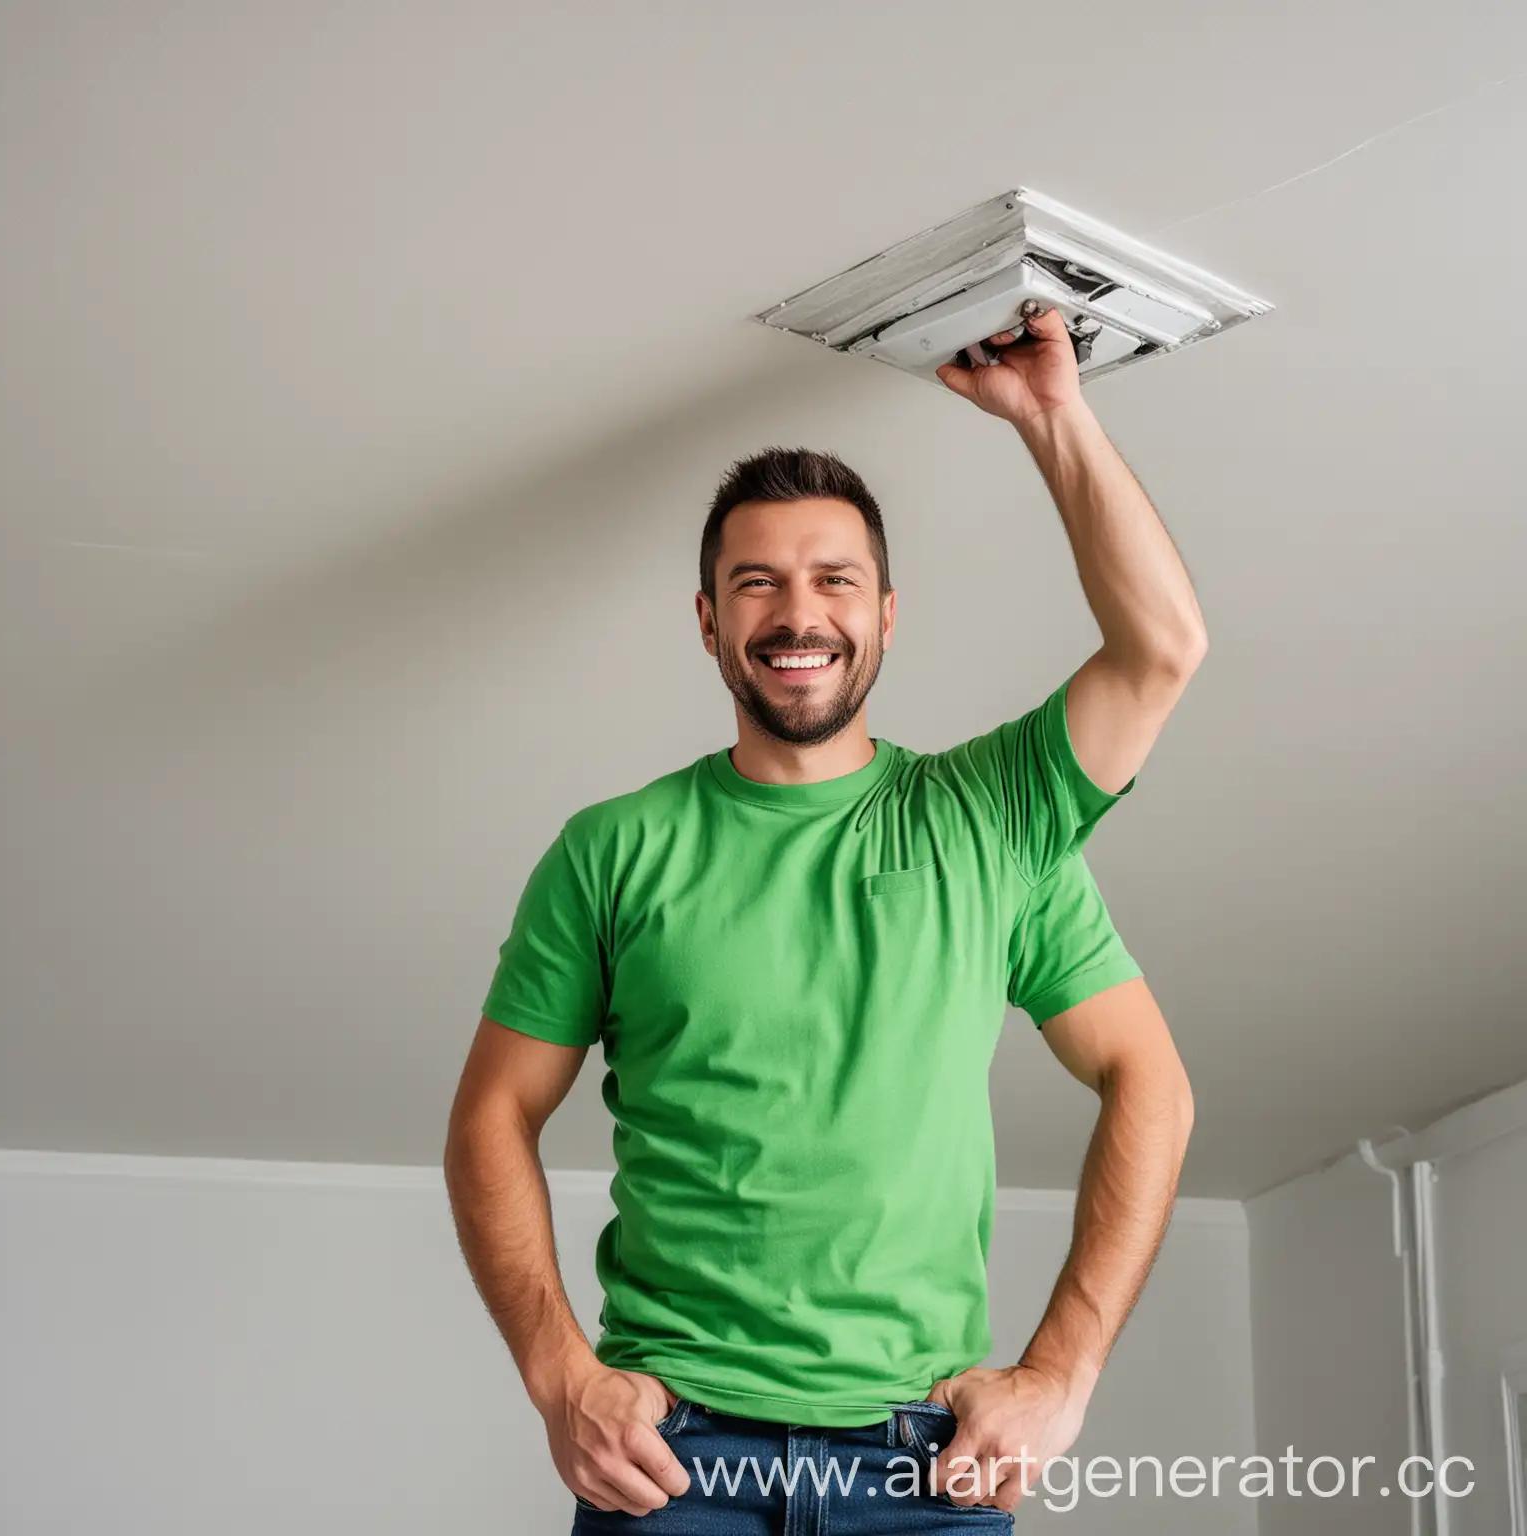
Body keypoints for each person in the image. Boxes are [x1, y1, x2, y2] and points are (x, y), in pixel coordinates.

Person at [445, 306, 1203, 1531]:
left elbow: (1163, 649)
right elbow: (491, 1113)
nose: (798, 614)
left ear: (885, 617)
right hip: (676, 1462)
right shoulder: (614, 850)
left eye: (834, 580)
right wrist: (557, 1376)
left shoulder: (993, 825)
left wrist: (1062, 1373)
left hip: (927, 1467)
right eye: (758, 584)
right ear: (712, 624)